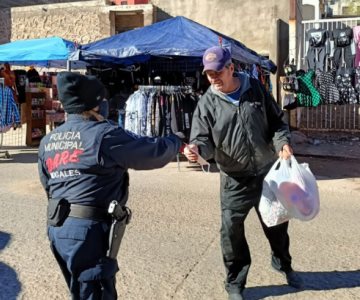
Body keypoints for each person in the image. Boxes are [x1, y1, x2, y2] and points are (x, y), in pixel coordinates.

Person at [38, 72, 181, 299]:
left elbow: (47, 183)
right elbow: (151, 153)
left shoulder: (49, 140)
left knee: (80, 291)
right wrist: (176, 140)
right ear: (94, 104)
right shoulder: (103, 134)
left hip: (58, 228)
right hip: (88, 230)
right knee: (97, 292)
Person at [183, 46, 303, 300]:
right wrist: (196, 150)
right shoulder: (207, 103)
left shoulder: (255, 89)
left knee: (277, 225)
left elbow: (278, 121)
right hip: (234, 179)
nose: (213, 78)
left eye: (217, 72)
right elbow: (202, 139)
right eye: (208, 74)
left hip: (266, 174)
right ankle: (235, 282)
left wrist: (282, 142)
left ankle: (283, 264)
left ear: (230, 68)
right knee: (231, 232)